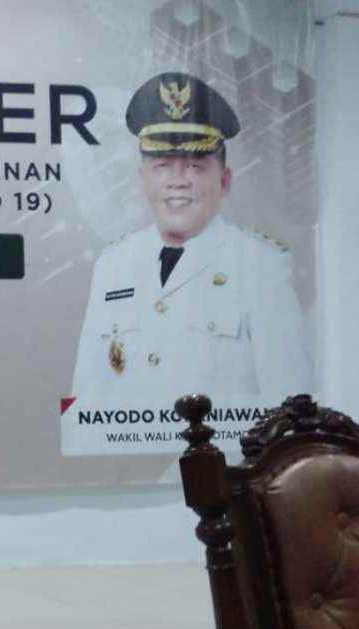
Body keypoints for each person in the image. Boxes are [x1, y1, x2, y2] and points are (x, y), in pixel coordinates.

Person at [70, 71, 311, 404]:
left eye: (195, 166)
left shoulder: (261, 266)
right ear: (142, 179)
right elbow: (86, 399)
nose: (177, 181)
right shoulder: (112, 266)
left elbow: (292, 408)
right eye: (162, 166)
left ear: (224, 181)